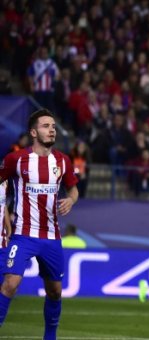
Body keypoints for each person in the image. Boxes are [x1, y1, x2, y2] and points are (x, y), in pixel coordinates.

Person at [0, 109, 79, 340]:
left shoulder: (63, 161)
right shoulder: (16, 159)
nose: (51, 129)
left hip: (52, 237)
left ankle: (49, 338)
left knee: (55, 291)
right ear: (34, 132)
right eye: (46, 125)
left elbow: (73, 189)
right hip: (23, 235)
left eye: (53, 125)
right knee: (10, 283)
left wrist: (71, 200)